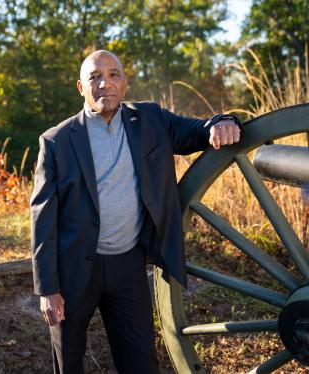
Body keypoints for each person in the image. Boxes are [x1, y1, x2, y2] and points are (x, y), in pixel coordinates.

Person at [30, 50, 243, 374]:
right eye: (95, 77)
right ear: (80, 87)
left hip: (128, 266)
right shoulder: (57, 141)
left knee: (141, 362)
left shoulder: (150, 120)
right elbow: (42, 220)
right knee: (69, 362)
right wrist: (47, 289)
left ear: (125, 83)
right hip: (73, 272)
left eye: (114, 74)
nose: (105, 83)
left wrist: (224, 122)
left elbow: (199, 130)